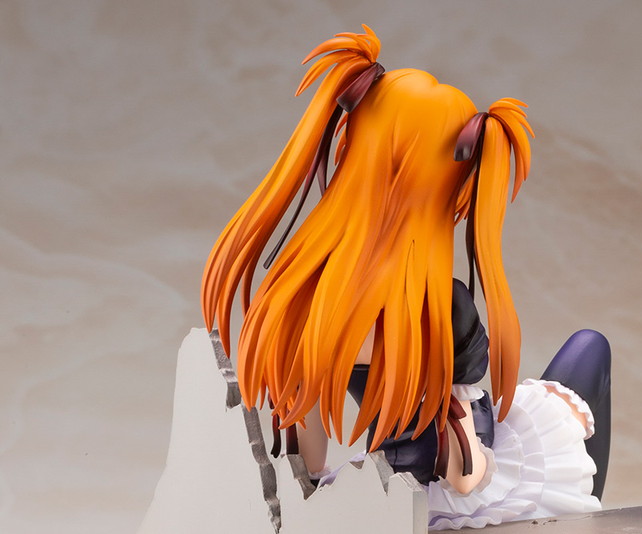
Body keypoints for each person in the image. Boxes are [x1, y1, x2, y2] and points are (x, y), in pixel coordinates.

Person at [201, 25, 610, 529]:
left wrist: (329, 497)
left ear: (353, 145)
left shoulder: (305, 298)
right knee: (587, 354)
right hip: (462, 497)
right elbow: (466, 466)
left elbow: (307, 451)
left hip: (392, 488)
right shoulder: (442, 307)